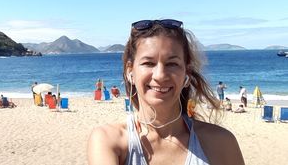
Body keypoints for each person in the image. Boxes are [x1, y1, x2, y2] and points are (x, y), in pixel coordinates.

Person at [87, 19, 244, 165]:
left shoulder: (220, 142)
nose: (160, 75)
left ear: (186, 73)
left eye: (172, 64)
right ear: (130, 72)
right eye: (148, 63)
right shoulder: (109, 140)